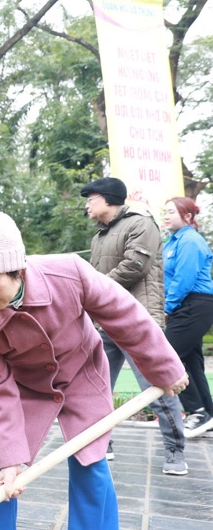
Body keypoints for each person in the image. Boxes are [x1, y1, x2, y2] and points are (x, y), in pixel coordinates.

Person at [0, 210, 187, 530]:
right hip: (23, 386)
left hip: (80, 373)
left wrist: (164, 368)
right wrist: (11, 458)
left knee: (91, 462)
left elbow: (125, 316)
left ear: (16, 269)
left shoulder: (68, 274)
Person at [81, 177, 187, 475]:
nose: (87, 204)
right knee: (95, 387)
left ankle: (175, 452)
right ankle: (101, 445)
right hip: (105, 322)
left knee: (158, 386)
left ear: (108, 198)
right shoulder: (99, 236)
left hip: (139, 321)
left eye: (91, 197)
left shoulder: (142, 223)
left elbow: (134, 266)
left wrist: (94, 292)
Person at [161, 196, 213, 438]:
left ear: (188, 217)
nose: (166, 215)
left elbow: (184, 279)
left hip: (194, 304)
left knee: (165, 356)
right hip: (187, 304)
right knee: (192, 363)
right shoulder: (172, 241)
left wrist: (168, 308)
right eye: (165, 211)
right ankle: (207, 415)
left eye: (171, 211)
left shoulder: (190, 240)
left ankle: (196, 411)